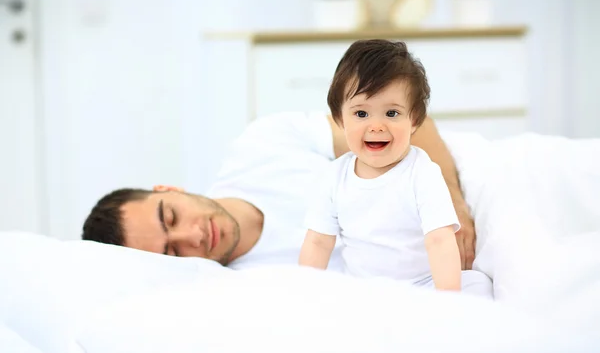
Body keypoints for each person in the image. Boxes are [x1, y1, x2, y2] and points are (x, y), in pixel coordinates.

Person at [81, 64, 477, 271]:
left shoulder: (261, 145)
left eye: (171, 216)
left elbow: (411, 125)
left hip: (460, 202)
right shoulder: (242, 292)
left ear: (169, 190)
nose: (193, 236)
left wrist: (452, 203)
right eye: (173, 254)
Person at [298, 39, 491, 298]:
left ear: (415, 120)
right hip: (364, 291)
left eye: (391, 113)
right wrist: (303, 295)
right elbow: (318, 242)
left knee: (478, 285)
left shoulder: (422, 173)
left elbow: (439, 240)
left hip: (423, 286)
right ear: (340, 120)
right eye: (361, 114)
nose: (376, 126)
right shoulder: (334, 177)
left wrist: (448, 301)